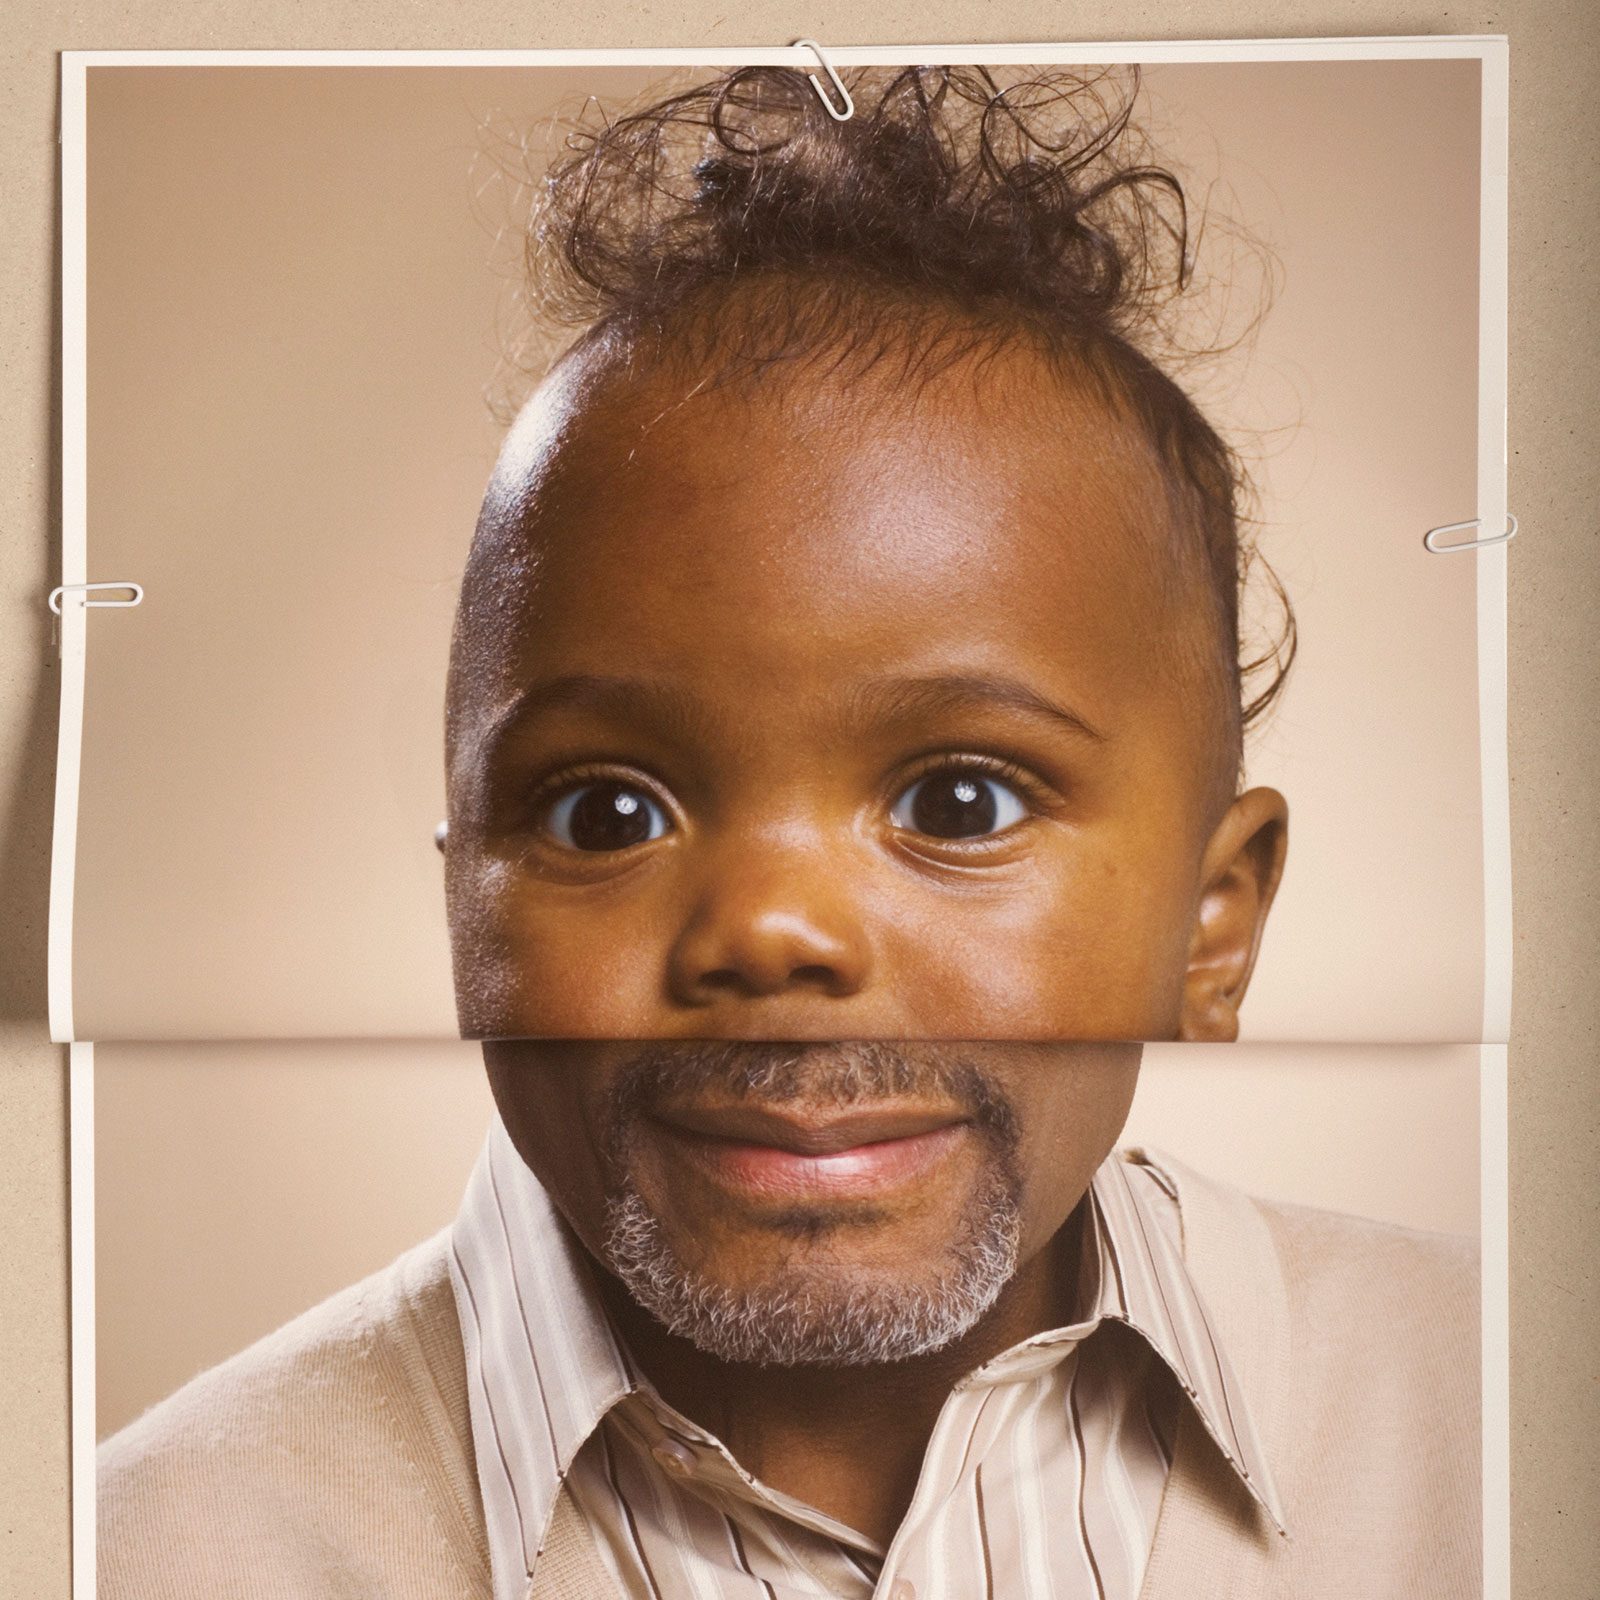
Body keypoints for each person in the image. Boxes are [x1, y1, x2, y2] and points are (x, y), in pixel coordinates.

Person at [98, 65, 1480, 1598]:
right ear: (465, 911)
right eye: (604, 811)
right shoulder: (141, 1551)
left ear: (1215, 925)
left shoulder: (1504, 1428)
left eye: (961, 800)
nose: (773, 929)